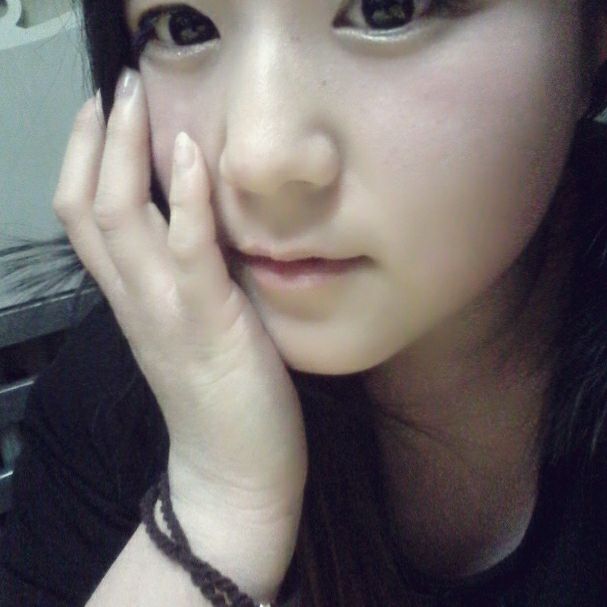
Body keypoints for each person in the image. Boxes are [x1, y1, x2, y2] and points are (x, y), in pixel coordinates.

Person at [2, 0, 607, 605]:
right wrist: (215, 511)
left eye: (386, 11)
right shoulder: (106, 398)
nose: (257, 158)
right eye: (184, 27)